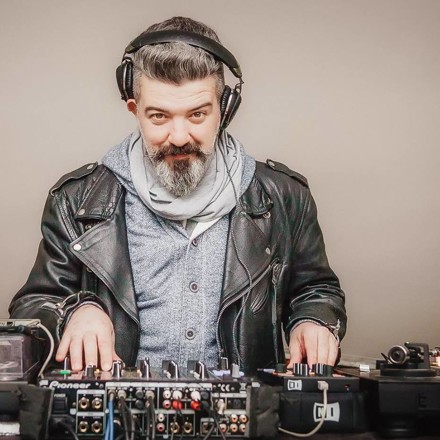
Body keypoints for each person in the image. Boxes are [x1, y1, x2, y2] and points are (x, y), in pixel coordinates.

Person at [9, 16, 346, 375]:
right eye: (159, 116)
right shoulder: (76, 202)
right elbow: (34, 305)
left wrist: (314, 320)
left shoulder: (284, 198)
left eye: (198, 114)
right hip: (116, 410)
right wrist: (74, 311)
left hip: (248, 409)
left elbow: (316, 290)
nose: (180, 136)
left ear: (225, 110)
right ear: (134, 110)